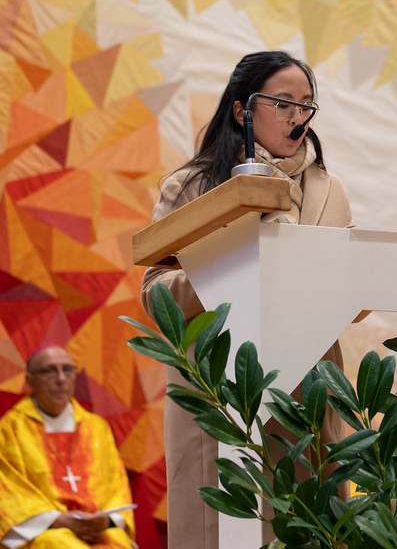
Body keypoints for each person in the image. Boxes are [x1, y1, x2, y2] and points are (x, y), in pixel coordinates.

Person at [140, 51, 354, 549]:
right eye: (282, 103)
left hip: (306, 392)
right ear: (242, 110)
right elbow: (155, 294)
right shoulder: (193, 185)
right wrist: (231, 262)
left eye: (306, 104)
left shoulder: (329, 189)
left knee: (310, 528)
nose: (297, 116)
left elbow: (348, 282)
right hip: (223, 390)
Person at [0, 345, 134, 549]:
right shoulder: (11, 429)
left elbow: (117, 488)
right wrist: (57, 520)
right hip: (43, 532)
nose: (61, 379)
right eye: (49, 371)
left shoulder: (97, 428)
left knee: (118, 542)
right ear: (30, 381)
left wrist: (105, 521)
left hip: (96, 530)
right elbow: (1, 493)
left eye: (67, 370)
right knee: (58, 544)